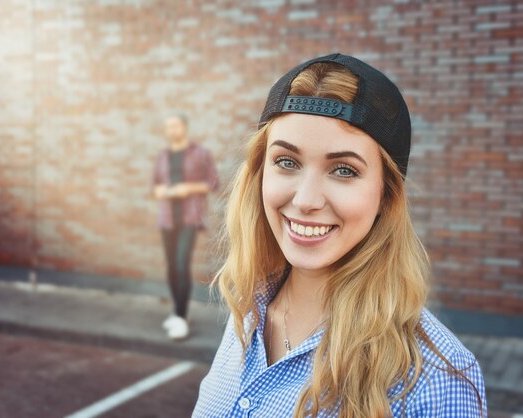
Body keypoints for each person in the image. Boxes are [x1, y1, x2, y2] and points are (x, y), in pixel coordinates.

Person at [194, 53, 486, 417]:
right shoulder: (248, 311)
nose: (306, 200)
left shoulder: (436, 378)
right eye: (287, 162)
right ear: (259, 173)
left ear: (386, 194)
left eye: (344, 170)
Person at [152, 114, 219, 340]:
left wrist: (186, 188)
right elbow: (156, 187)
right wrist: (166, 191)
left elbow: (213, 182)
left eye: (175, 125)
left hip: (190, 218)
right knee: (171, 267)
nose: (172, 129)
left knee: (182, 264)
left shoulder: (201, 153)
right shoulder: (162, 156)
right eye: (168, 126)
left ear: (184, 127)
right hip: (167, 218)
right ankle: (177, 312)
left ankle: (181, 317)